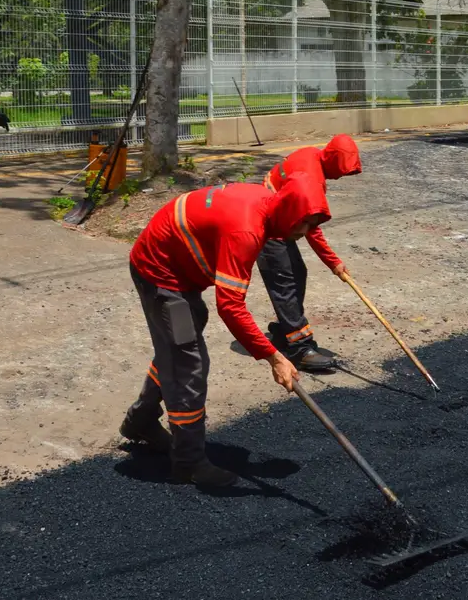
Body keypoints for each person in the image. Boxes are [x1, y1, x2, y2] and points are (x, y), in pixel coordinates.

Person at [118, 173, 329, 487]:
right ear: (288, 214)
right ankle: (188, 462)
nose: (305, 232)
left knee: (178, 347)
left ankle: (141, 420)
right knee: (189, 363)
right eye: (304, 224)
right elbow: (230, 306)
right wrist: (274, 357)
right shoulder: (246, 229)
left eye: (312, 225)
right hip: (161, 274)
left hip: (180, 271)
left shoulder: (266, 206)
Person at [258, 134, 363, 372]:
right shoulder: (311, 178)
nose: (340, 176)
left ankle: (284, 331)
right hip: (267, 223)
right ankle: (300, 349)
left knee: (297, 273)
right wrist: (333, 263)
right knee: (286, 282)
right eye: (341, 170)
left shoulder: (311, 155)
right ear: (332, 159)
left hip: (278, 217)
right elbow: (311, 229)